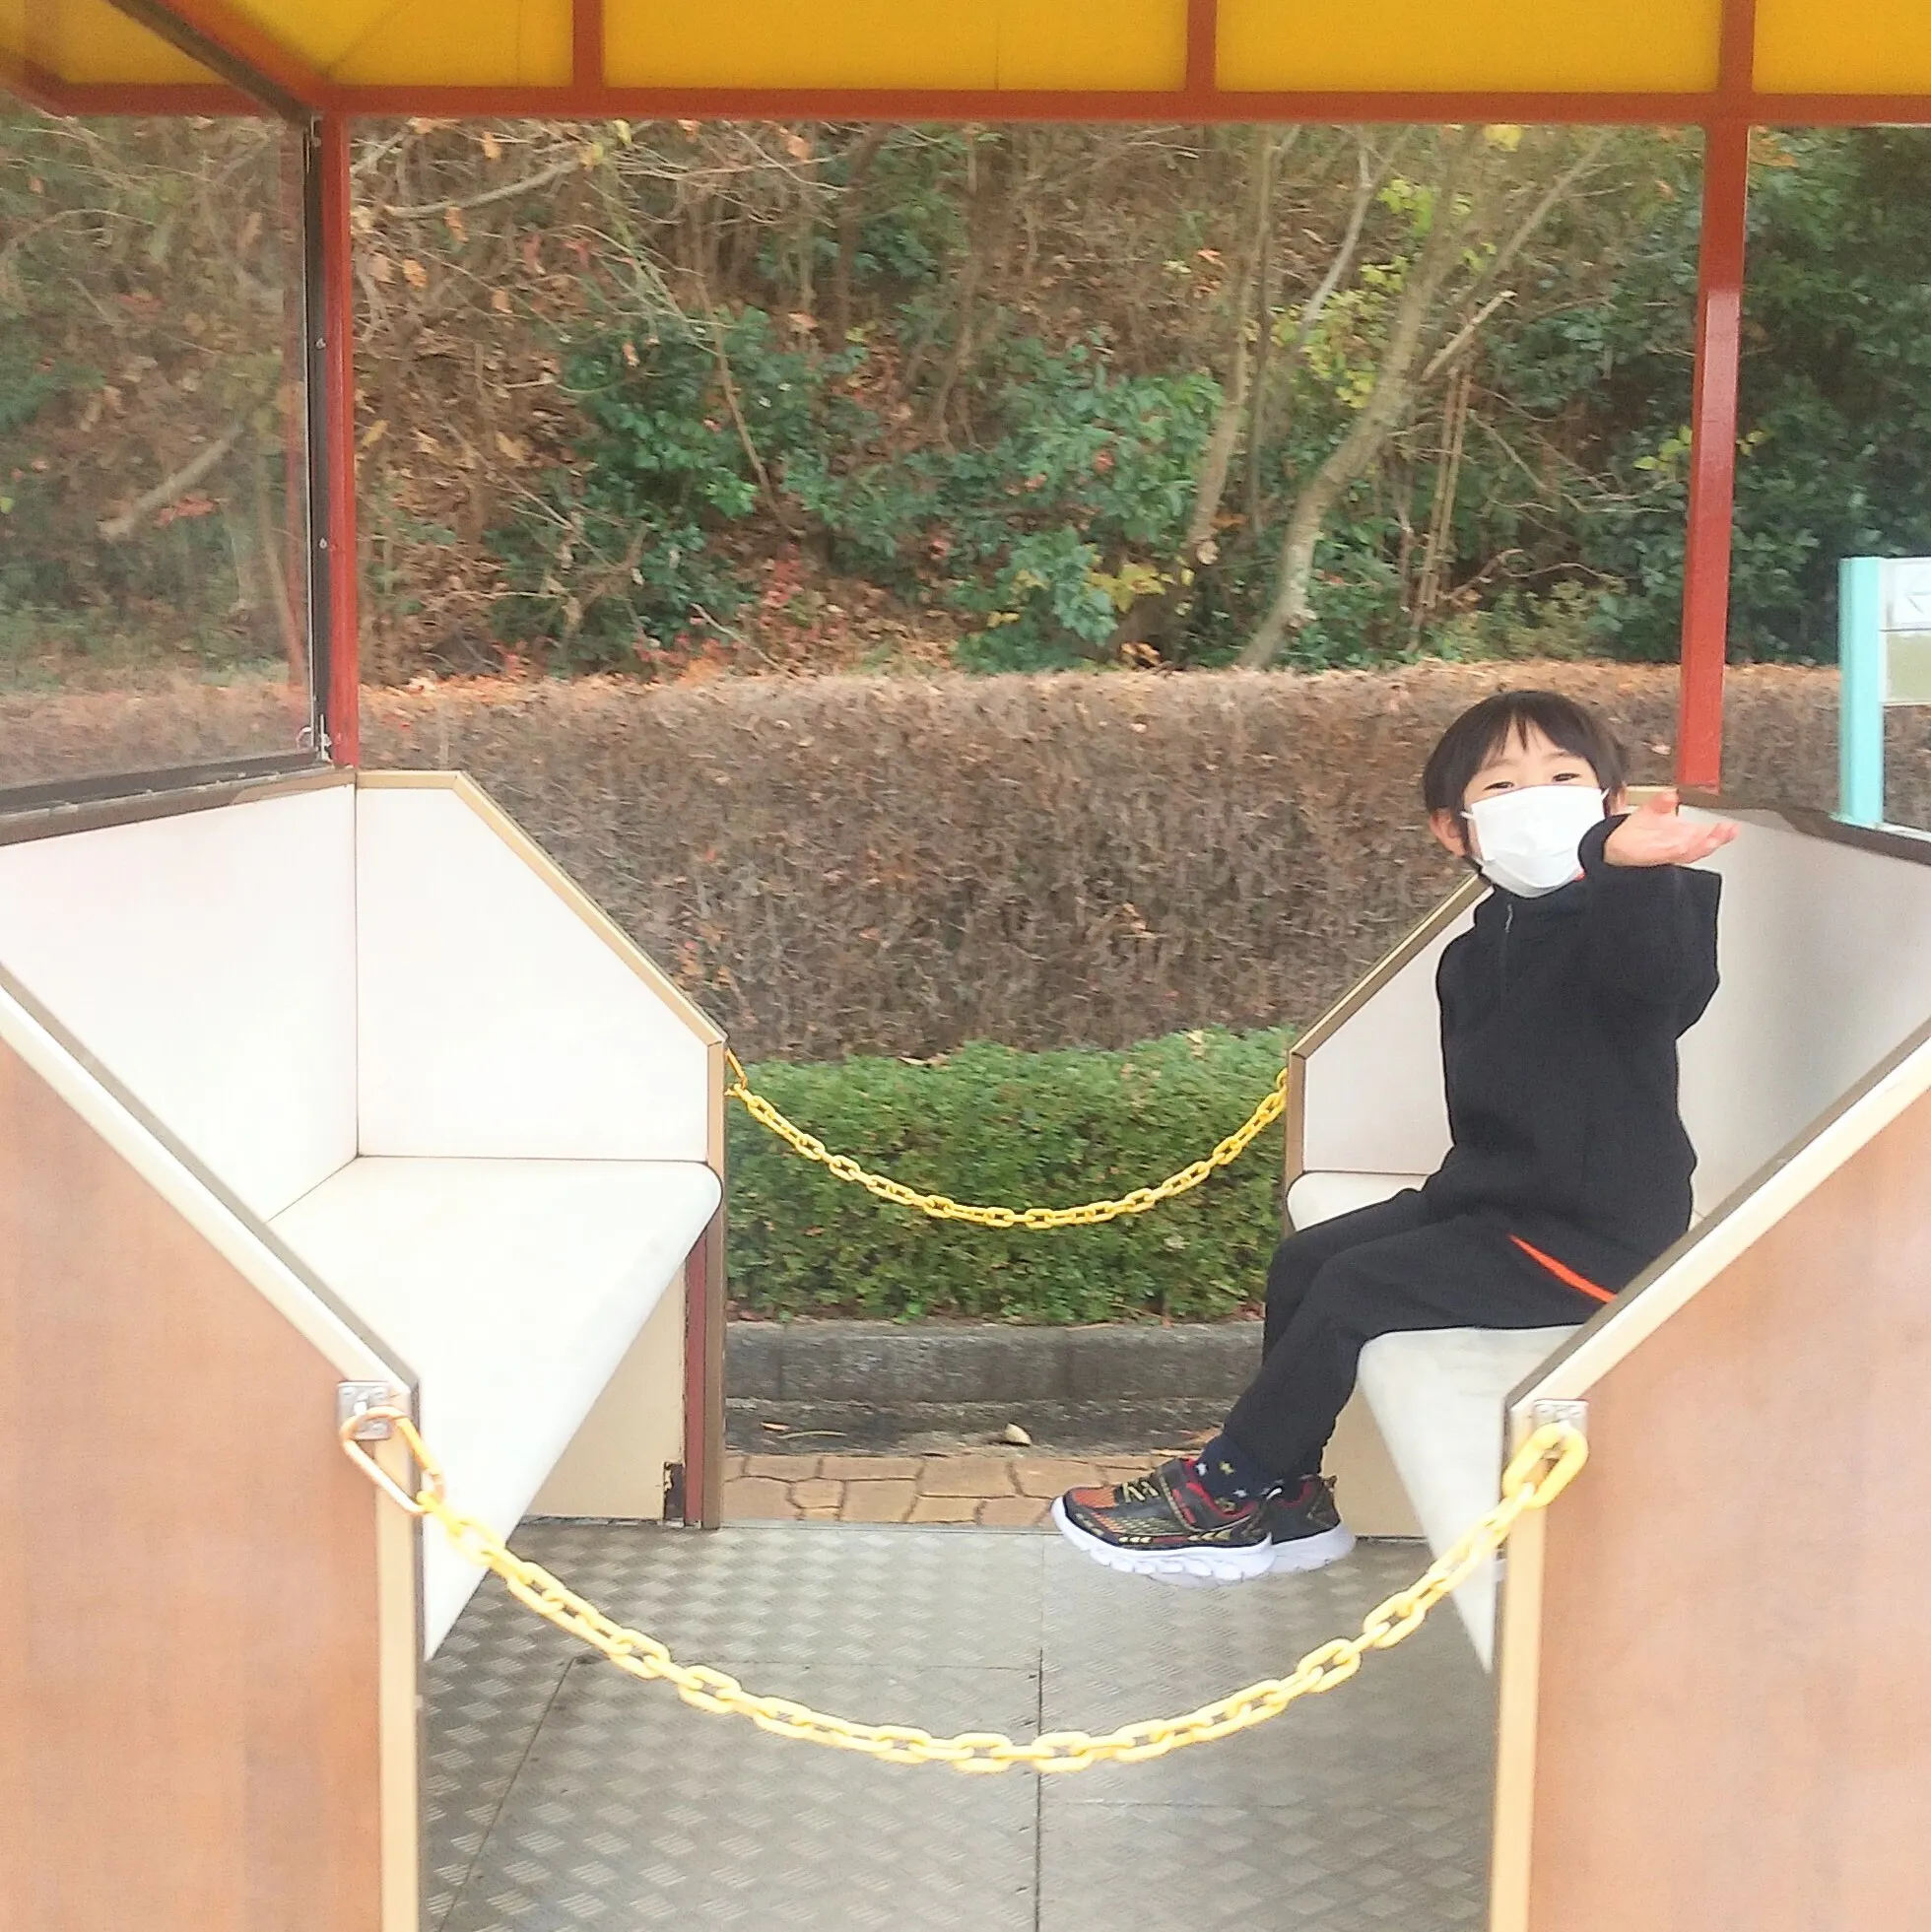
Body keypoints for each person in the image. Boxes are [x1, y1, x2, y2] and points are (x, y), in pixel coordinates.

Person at [1054, 689, 1734, 1583]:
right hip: (1494, 1204)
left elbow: (1663, 989)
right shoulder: (1477, 946)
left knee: (1356, 1288)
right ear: (1454, 830)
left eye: (1565, 778)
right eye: (1503, 785)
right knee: (1309, 1259)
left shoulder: (1630, 915)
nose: (1537, 798)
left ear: (1609, 804)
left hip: (1596, 1237)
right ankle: (1290, 1493)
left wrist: (1632, 872)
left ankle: (1228, 1488)